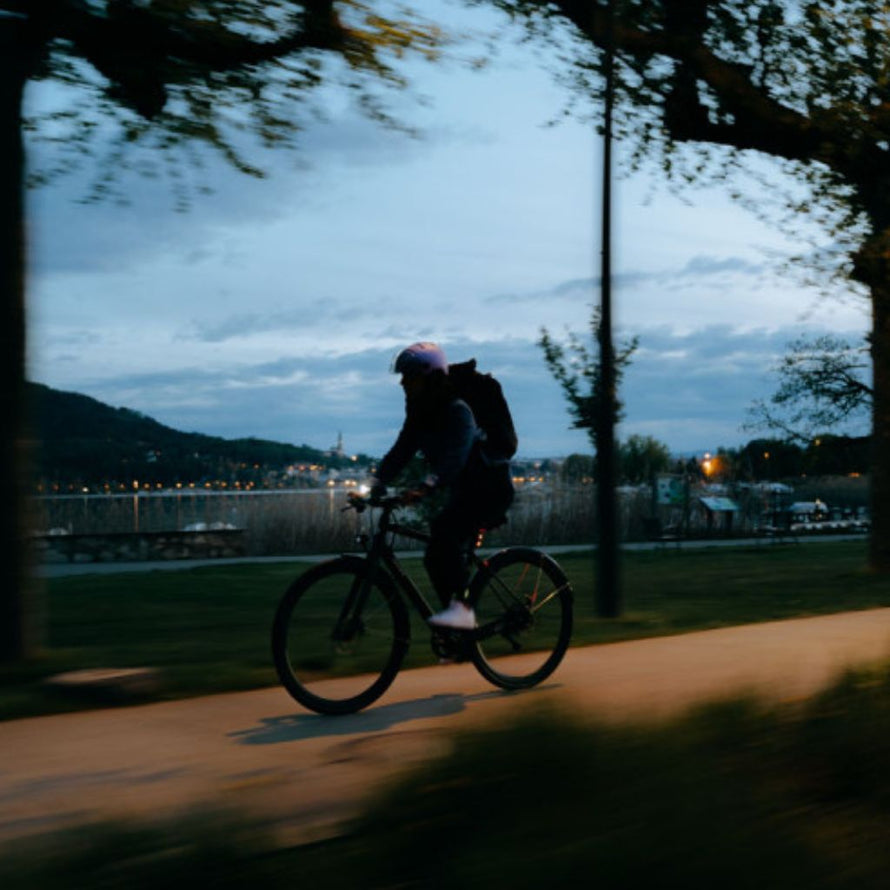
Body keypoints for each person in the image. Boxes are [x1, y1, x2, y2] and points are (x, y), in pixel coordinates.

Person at [371, 342, 514, 630]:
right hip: (467, 490)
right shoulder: (421, 413)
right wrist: (377, 481)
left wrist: (426, 485)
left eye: (409, 376)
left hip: (490, 489)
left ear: (430, 376)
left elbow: (455, 457)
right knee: (435, 556)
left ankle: (462, 612)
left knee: (444, 541)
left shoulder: (457, 410)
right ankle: (455, 627)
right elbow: (402, 449)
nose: (402, 382)